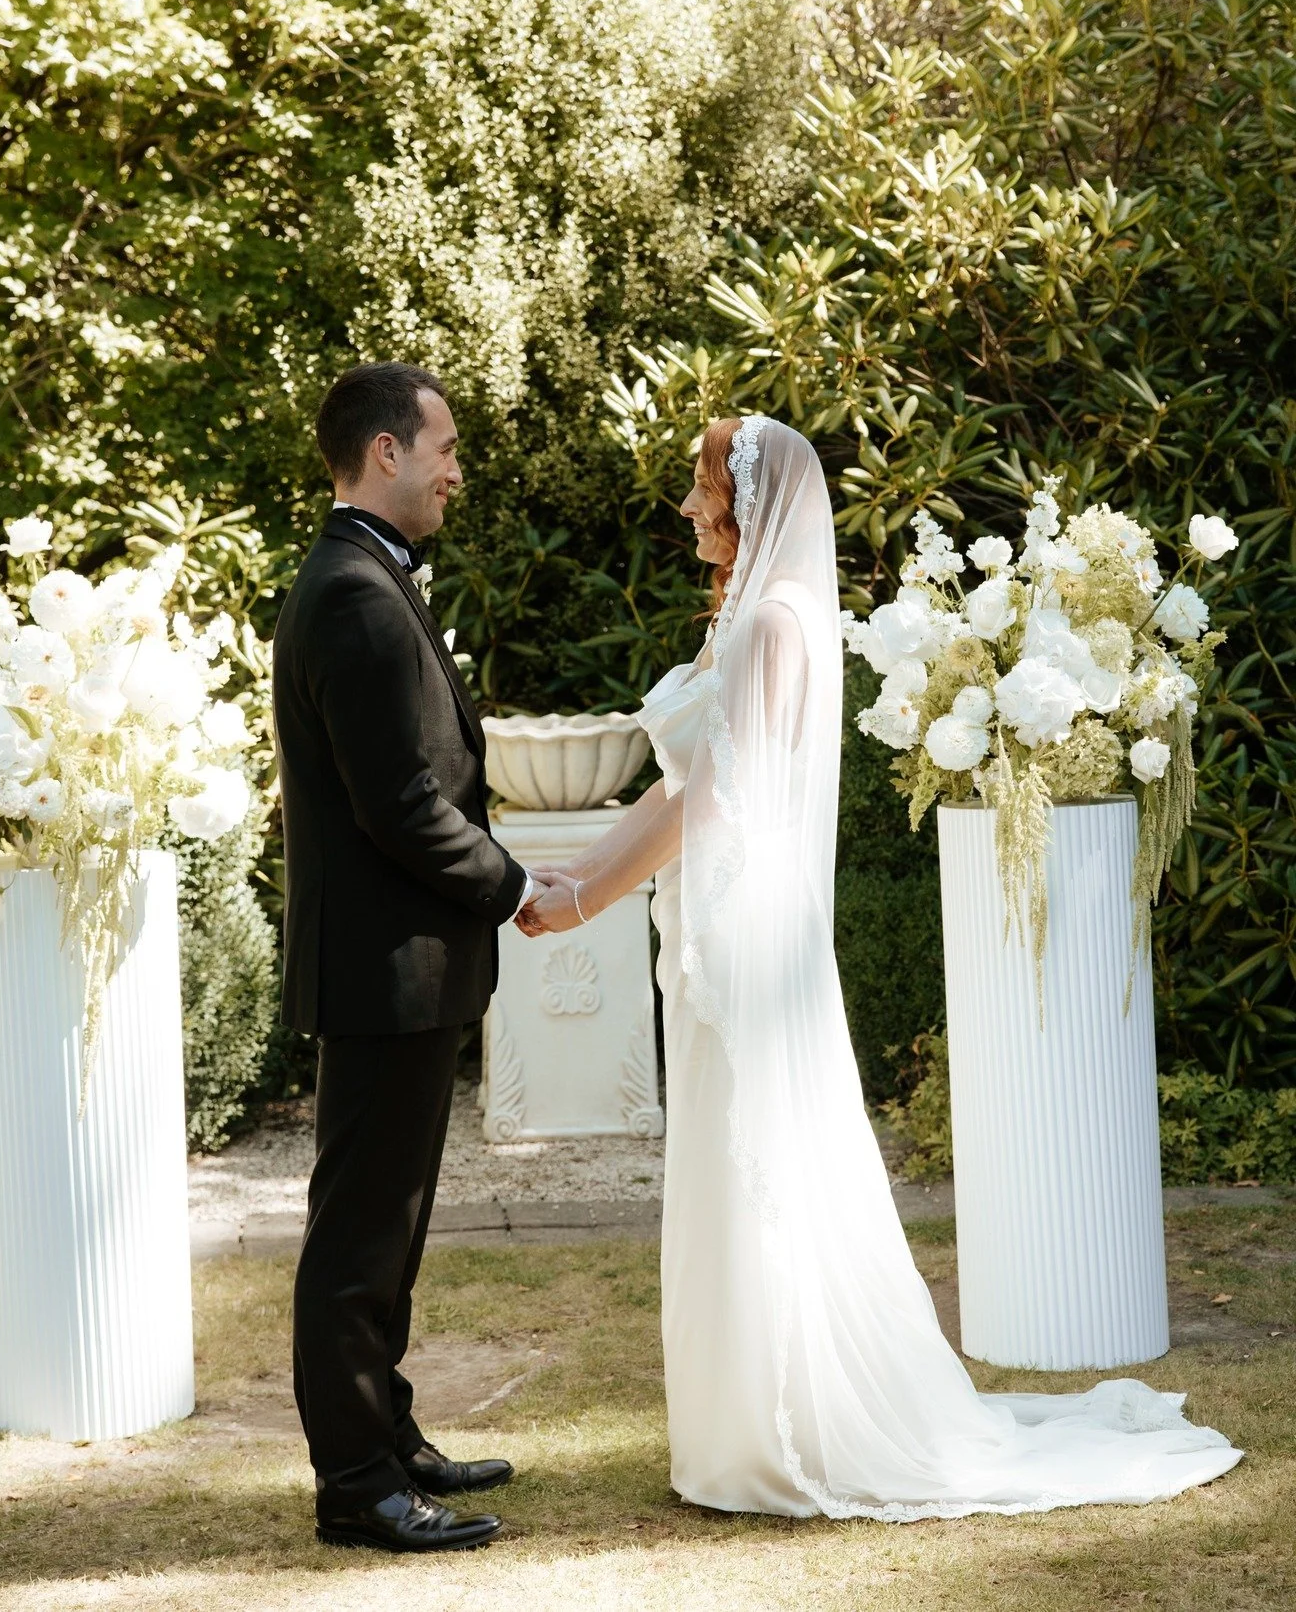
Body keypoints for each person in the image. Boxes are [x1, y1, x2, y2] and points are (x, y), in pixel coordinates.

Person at [520, 413, 1241, 1519]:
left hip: (749, 937)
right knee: (739, 1152)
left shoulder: (770, 626)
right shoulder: (757, 619)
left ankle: (782, 1429)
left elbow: (715, 799)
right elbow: (676, 792)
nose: (686, 510)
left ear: (746, 501)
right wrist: (574, 882)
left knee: (761, 1152)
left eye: (700, 489)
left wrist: (588, 901)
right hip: (733, 920)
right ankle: (743, 1425)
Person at [273, 361, 576, 1553]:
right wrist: (514, 886)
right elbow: (399, 801)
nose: (456, 468)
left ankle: (387, 1437)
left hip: (405, 964)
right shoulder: (352, 591)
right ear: (385, 452)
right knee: (357, 1236)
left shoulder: (362, 578)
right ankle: (357, 1484)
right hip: (383, 965)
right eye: (442, 445)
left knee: (387, 1229)